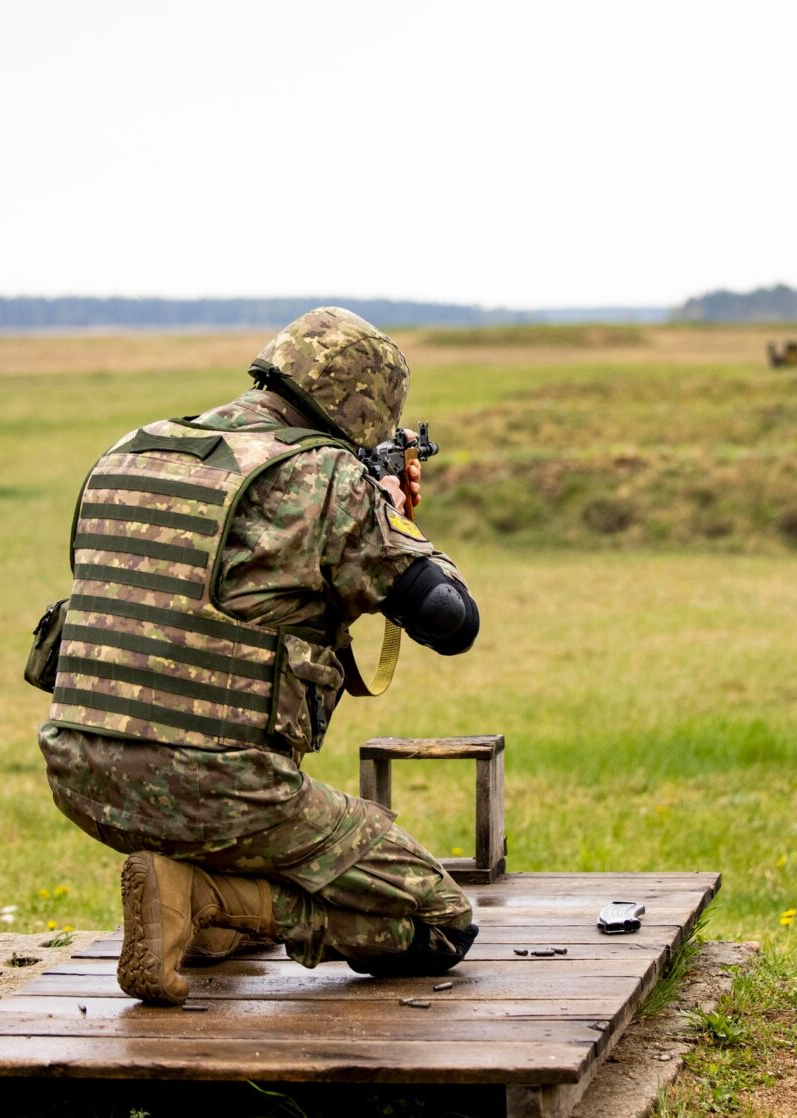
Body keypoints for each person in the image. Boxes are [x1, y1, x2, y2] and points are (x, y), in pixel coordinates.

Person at [36, 307, 480, 1005]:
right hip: (221, 790)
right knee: (437, 924)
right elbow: (452, 620)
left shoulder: (136, 447)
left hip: (80, 773)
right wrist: (389, 514)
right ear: (363, 406)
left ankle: (200, 913)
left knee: (249, 831)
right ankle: (200, 896)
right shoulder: (330, 478)